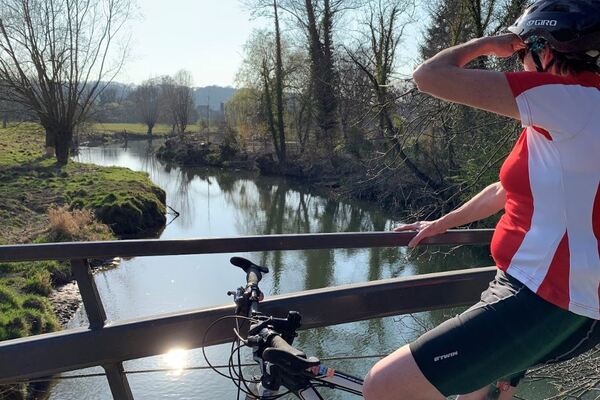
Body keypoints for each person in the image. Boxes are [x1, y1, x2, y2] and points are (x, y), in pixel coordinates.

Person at [362, 1, 600, 399]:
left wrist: (491, 44)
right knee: (479, 395)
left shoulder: (567, 100)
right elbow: (503, 190)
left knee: (383, 385)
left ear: (545, 51)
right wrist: (441, 223)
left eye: (523, 53)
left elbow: (429, 76)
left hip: (542, 297)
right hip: (560, 299)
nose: (519, 62)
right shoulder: (576, 116)